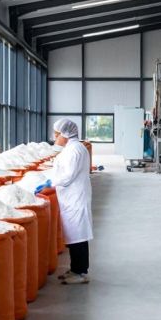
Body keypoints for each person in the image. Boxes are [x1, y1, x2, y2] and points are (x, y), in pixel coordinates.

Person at [46, 118, 93, 285]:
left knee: (78, 235)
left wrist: (50, 183)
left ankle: (80, 272)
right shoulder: (72, 148)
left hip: (75, 197)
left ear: (65, 134)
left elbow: (67, 176)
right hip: (71, 197)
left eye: (56, 133)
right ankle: (75, 269)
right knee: (73, 234)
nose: (55, 136)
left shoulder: (74, 150)